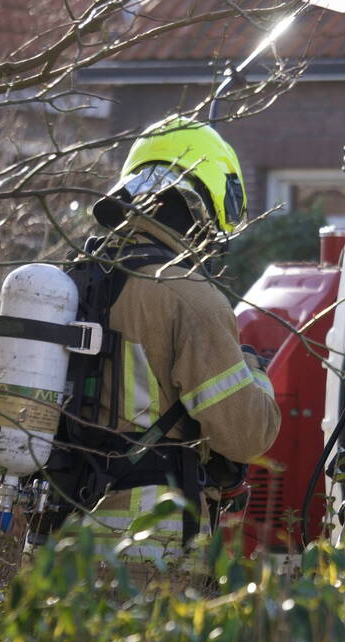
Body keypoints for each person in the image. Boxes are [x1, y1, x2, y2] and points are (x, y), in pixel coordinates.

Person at [59, 115, 281, 578]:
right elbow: (245, 436)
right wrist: (253, 369)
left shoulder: (75, 278)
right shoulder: (190, 295)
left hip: (61, 530)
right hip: (147, 544)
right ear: (208, 200)